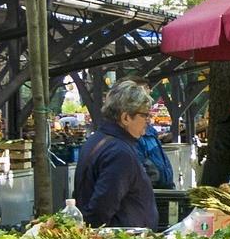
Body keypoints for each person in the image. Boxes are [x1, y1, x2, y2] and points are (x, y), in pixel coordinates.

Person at [75, 80, 160, 229]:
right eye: (145, 115)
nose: (148, 121)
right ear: (126, 118)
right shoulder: (119, 152)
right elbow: (102, 207)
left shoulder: (98, 139)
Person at [134, 116, 175, 190]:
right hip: (152, 191)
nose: (148, 118)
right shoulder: (134, 137)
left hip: (165, 187)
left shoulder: (150, 131)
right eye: (144, 114)